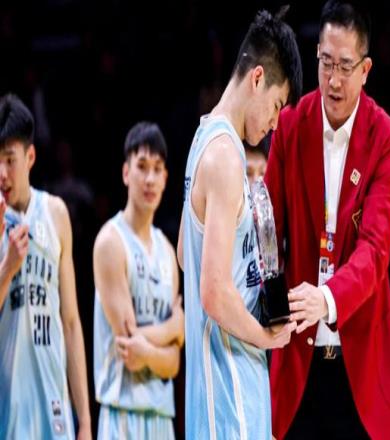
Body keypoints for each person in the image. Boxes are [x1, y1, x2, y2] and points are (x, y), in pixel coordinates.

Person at [264, 1, 390, 439]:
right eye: (326, 62)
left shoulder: (386, 138)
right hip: (297, 362)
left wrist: (327, 298)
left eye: (345, 67)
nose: (333, 79)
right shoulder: (290, 125)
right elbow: (268, 233)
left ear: (365, 69)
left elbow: (375, 250)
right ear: (315, 54)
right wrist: (273, 314)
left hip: (359, 368)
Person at [177, 8, 302, 440]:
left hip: (232, 385)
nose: (275, 122)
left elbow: (185, 254)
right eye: (277, 105)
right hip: (227, 391)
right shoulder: (226, 158)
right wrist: (267, 338)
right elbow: (212, 292)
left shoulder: (204, 139)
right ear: (257, 78)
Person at [0, 93, 91, 439]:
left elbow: (71, 321)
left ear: (31, 157)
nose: (2, 173)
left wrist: (85, 420)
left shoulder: (55, 213)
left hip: (54, 405)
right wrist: (8, 267)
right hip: (7, 409)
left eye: (10, 160)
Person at [93, 122, 184, 439]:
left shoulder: (168, 252)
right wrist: (175, 328)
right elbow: (128, 347)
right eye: (142, 166)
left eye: (157, 169)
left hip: (162, 419)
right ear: (125, 172)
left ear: (165, 178)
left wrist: (149, 350)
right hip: (121, 415)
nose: (149, 178)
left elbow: (174, 363)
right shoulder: (110, 242)